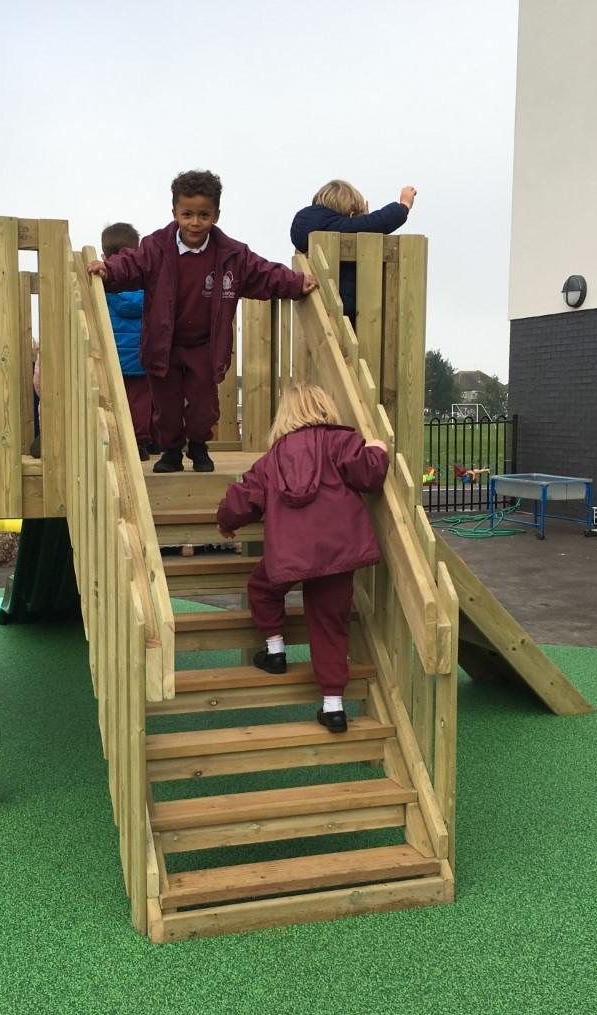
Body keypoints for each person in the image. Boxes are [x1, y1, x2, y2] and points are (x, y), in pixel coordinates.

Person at [89, 169, 317, 474]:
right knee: (166, 406)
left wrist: (296, 282)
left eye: (203, 215)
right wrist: (108, 270)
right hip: (164, 344)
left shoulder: (232, 255)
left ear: (216, 215)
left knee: (204, 406)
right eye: (187, 214)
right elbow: (130, 265)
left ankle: (198, 446)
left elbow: (264, 273)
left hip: (205, 346)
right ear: (174, 213)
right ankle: (171, 451)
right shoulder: (156, 248)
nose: (195, 222)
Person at [216, 383, 389, 733]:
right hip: (337, 553)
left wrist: (226, 522)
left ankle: (275, 650)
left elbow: (244, 498)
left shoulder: (272, 460)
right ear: (325, 408)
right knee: (329, 623)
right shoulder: (341, 443)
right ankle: (333, 707)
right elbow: (369, 476)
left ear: (285, 415)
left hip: (291, 554)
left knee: (262, 588)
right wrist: (379, 450)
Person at [290, 181, 416, 323]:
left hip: (313, 312)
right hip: (346, 314)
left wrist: (361, 226)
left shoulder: (310, 227)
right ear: (350, 213)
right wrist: (404, 205)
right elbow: (378, 222)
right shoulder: (337, 227)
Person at [100, 222, 156, 460]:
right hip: (141, 357)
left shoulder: (103, 284)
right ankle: (141, 442)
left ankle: (114, 440)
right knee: (141, 401)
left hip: (113, 357)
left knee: (112, 400)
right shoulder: (147, 285)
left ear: (105, 256)